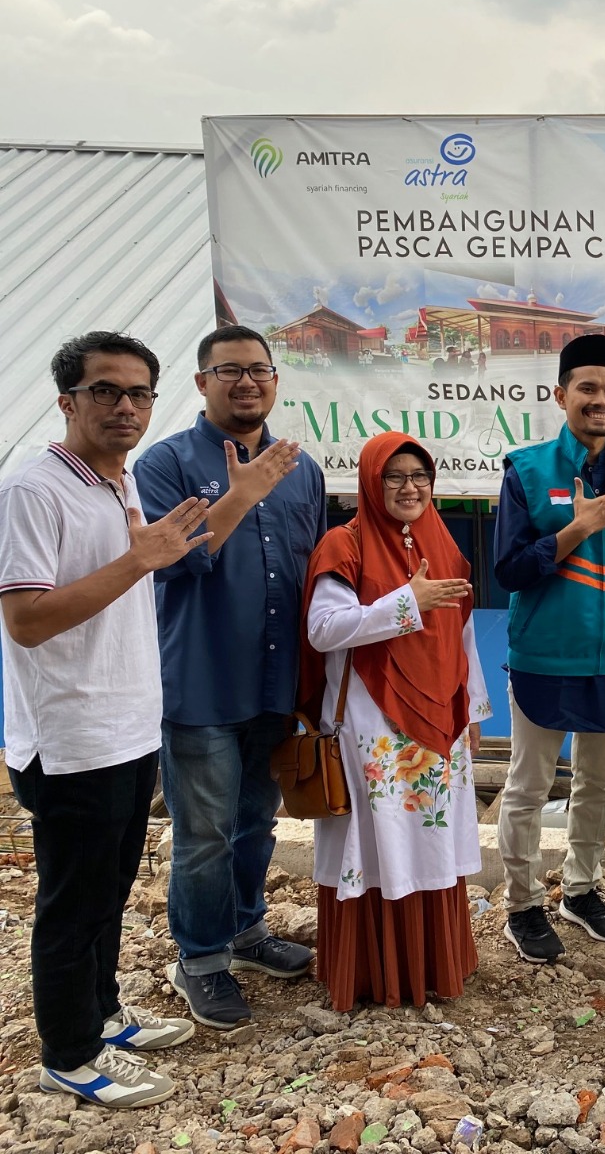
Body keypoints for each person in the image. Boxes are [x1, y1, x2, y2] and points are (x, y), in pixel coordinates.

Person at [0, 332, 209, 1107]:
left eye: (140, 393)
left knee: (111, 888)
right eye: (105, 391)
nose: (125, 406)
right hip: (70, 737)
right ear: (67, 400)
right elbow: (25, 621)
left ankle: (104, 1013)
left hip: (127, 727)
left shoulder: (117, 483)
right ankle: (68, 1052)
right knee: (73, 901)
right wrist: (138, 560)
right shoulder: (34, 489)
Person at [135, 324, 326, 1030]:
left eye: (259, 370)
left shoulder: (299, 468)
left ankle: (246, 935)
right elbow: (179, 560)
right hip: (202, 683)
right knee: (206, 831)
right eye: (230, 372)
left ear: (275, 380)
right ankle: (201, 960)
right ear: (201, 383)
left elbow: (309, 573)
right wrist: (240, 494)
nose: (247, 382)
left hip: (275, 681)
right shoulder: (164, 464)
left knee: (255, 821)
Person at [300, 432, 491, 1010]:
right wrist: (405, 603)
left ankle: (434, 965)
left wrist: (473, 706)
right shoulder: (345, 544)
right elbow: (322, 629)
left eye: (419, 477)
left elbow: (462, 631)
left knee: (428, 839)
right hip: (369, 725)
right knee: (379, 839)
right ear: (370, 482)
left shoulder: (444, 542)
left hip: (439, 724)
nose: (410, 488)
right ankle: (373, 973)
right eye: (395, 477)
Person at [494, 334, 605, 962]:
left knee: (599, 783)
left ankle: (581, 890)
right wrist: (576, 529)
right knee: (529, 786)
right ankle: (522, 902)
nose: (600, 401)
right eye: (587, 389)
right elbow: (507, 570)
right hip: (544, 654)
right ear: (561, 395)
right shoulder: (527, 469)